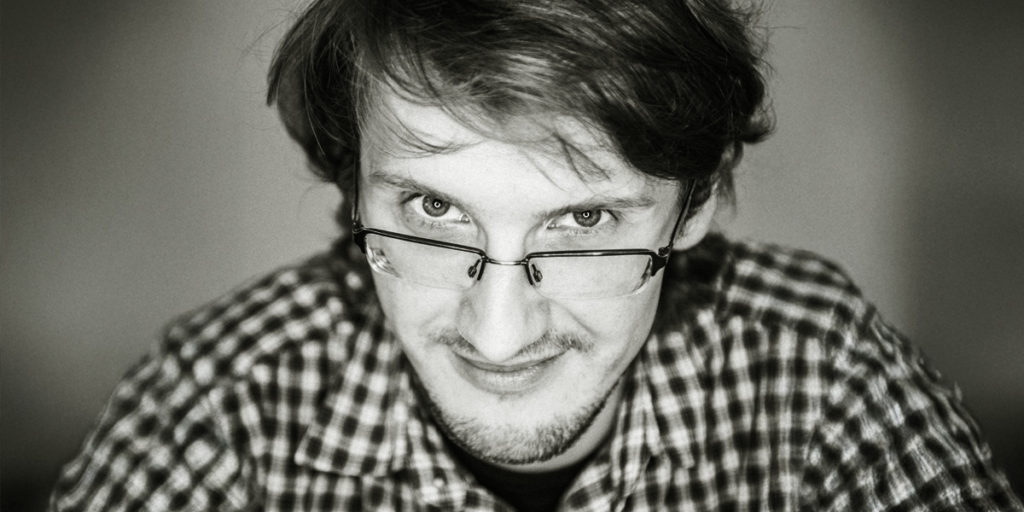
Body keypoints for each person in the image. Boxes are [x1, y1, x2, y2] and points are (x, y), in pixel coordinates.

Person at [50, 0, 1021, 510]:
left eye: (585, 221)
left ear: (694, 205)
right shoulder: (224, 395)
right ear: (352, 188)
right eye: (433, 209)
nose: (499, 334)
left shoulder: (814, 363)